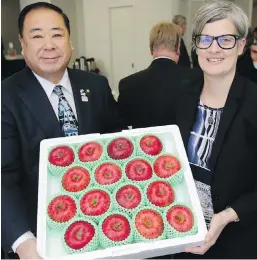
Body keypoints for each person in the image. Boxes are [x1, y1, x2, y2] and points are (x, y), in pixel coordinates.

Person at [1, 2, 124, 259]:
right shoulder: (6, 96)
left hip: (103, 224)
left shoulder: (96, 85)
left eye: (57, 34)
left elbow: (117, 144)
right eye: (37, 36)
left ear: (70, 42)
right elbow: (3, 176)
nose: (49, 44)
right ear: (22, 44)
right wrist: (23, 242)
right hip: (40, 239)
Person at [171, 1, 257, 259]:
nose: (213, 49)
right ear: (196, 45)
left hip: (240, 240)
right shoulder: (182, 94)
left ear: (240, 46)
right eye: (205, 39)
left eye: (225, 39)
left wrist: (228, 215)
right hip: (185, 235)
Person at [118, 22, 201, 129]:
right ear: (178, 48)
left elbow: (120, 125)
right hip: (184, 145)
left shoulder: (128, 84)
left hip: (143, 143)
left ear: (151, 48)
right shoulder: (196, 78)